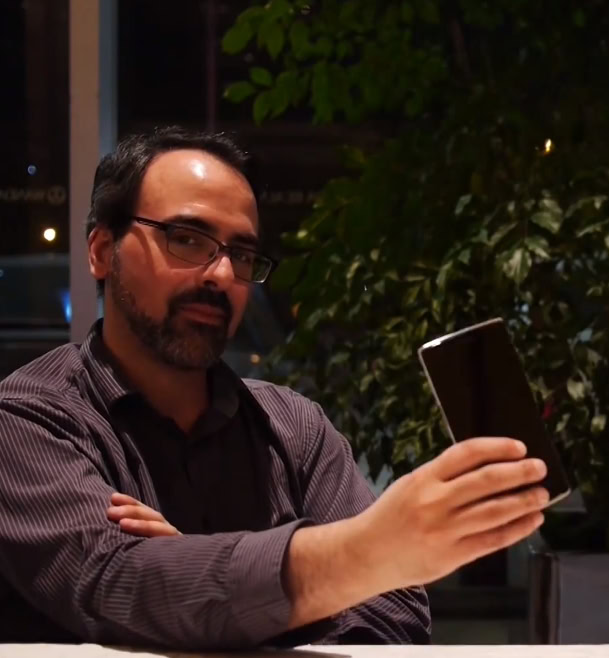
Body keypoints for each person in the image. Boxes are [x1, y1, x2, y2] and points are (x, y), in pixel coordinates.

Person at [0, 127, 550, 650]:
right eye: (186, 239)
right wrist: (359, 558)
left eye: (241, 254)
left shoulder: (294, 428)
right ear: (102, 250)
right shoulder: (28, 418)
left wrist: (197, 579)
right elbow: (116, 580)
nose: (221, 275)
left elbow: (392, 618)